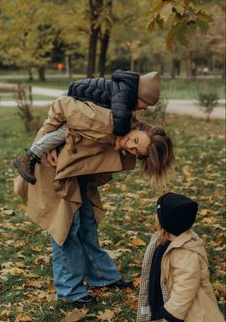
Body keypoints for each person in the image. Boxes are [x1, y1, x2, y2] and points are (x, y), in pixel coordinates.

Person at [14, 97, 174, 308]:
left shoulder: (127, 130)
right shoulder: (106, 120)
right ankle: (69, 291)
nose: (131, 147)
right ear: (140, 132)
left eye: (138, 153)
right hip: (52, 167)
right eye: (135, 141)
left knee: (87, 222)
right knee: (67, 227)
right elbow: (62, 105)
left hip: (76, 171)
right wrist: (45, 143)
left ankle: (102, 276)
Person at [13, 70, 160, 185]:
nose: (145, 108)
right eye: (146, 104)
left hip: (79, 98)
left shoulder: (124, 95)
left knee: (68, 130)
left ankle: (33, 154)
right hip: (75, 97)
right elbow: (120, 120)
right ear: (140, 96)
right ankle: (31, 155)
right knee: (65, 131)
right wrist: (120, 137)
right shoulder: (124, 96)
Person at [137, 192, 224, 322]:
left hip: (189, 311)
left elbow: (186, 286)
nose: (155, 216)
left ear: (165, 221)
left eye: (157, 213)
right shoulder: (163, 240)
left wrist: (172, 313)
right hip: (166, 299)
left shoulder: (185, 253)